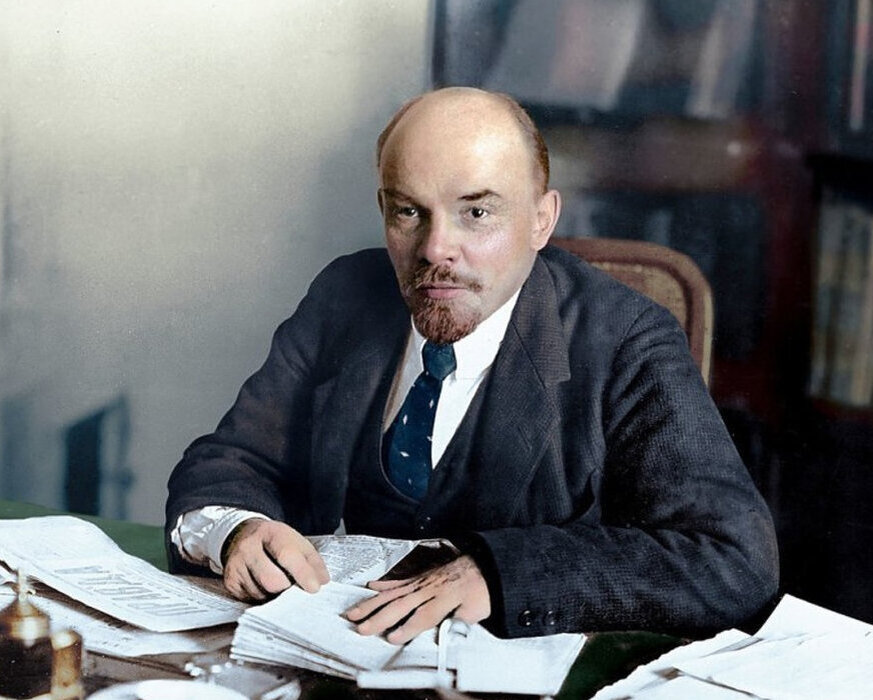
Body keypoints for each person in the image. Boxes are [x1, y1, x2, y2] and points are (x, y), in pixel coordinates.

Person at [166, 86, 778, 644]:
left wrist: (501, 575)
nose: (436, 249)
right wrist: (237, 530)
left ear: (542, 220)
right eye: (409, 212)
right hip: (331, 653)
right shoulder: (345, 296)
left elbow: (732, 559)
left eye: (476, 213)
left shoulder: (627, 340)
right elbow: (230, 460)